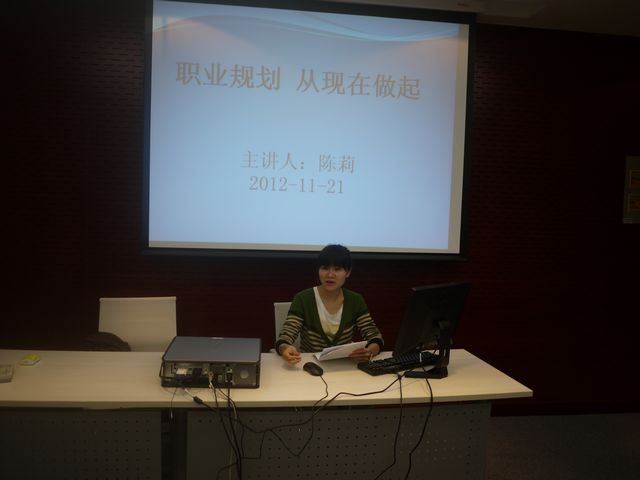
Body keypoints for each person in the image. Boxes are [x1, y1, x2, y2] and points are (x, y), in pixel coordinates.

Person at [275, 244, 384, 364]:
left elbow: (375, 337)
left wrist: (369, 351)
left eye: (337, 269)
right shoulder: (303, 299)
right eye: (325, 268)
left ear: (348, 272)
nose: (330, 275)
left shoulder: (355, 300)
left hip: (344, 365)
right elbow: (285, 337)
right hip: (310, 365)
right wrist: (285, 348)